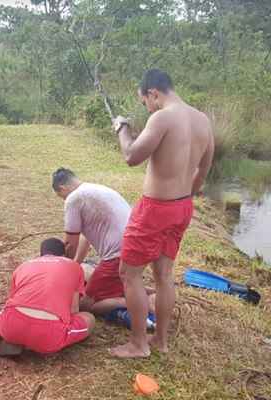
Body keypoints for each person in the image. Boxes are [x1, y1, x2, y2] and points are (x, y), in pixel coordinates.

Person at [110, 69, 214, 358]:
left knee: (129, 274)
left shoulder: (163, 117)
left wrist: (122, 128)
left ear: (152, 93)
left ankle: (138, 344)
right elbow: (203, 170)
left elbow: (131, 156)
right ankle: (161, 340)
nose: (148, 107)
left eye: (145, 101)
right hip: (183, 207)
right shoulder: (202, 120)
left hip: (156, 209)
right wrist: (184, 198)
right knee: (164, 274)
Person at [0, 238, 95, 385]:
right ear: (63, 254)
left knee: (3, 315)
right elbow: (74, 310)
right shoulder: (74, 266)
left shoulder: (23, 266)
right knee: (89, 318)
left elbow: (12, 300)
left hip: (12, 325)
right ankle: (29, 345)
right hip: (48, 335)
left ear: (41, 254)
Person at [52, 168, 157, 323]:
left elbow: (70, 243)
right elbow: (84, 239)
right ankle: (153, 293)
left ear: (62, 188)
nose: (63, 200)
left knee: (86, 304)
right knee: (118, 283)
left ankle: (141, 304)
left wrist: (64, 269)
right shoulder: (95, 189)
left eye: (61, 196)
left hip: (118, 254)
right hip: (138, 246)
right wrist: (75, 264)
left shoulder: (73, 199)